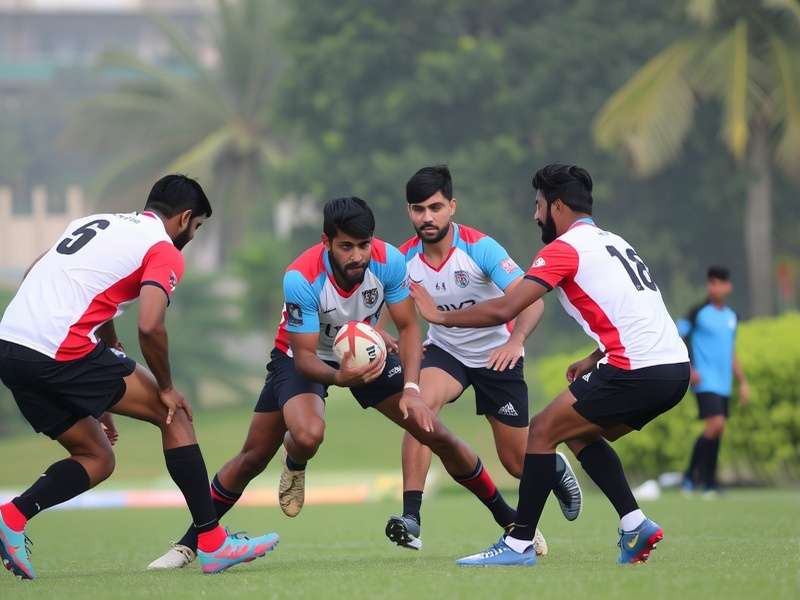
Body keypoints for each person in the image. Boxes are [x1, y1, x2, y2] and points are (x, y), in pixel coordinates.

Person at [148, 196, 522, 570]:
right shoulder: (301, 277)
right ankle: (192, 542)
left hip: (366, 356)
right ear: (326, 242)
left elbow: (409, 328)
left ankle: (513, 523)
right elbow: (305, 357)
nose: (357, 256)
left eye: (363, 245)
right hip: (302, 358)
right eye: (346, 247)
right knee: (273, 448)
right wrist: (341, 377)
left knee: (435, 433)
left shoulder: (389, 261)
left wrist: (411, 389)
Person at [411, 164, 690, 566]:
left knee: (541, 430)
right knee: (577, 432)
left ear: (557, 206)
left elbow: (507, 308)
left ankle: (518, 544)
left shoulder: (563, 249)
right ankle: (634, 524)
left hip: (637, 369)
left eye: (539, 205)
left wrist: (438, 316)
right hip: (674, 368)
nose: (535, 215)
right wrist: (595, 357)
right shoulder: (614, 242)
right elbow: (635, 312)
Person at [0, 175, 278, 579]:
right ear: (184, 218)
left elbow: (37, 275)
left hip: (11, 347)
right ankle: (213, 542)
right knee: (173, 414)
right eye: (197, 227)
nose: (192, 236)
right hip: (58, 349)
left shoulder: (92, 223)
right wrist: (166, 388)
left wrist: (98, 378)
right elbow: (149, 326)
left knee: (97, 457)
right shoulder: (162, 248)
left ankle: (12, 515)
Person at [381, 165, 581, 554]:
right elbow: (383, 317)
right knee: (419, 408)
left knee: (516, 462)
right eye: (418, 209)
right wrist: (378, 337)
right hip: (446, 353)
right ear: (409, 212)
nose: (427, 217)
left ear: (452, 207)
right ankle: (411, 518)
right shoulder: (401, 261)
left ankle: (555, 466)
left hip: (496, 355)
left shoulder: (481, 248)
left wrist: (516, 341)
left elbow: (532, 303)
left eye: (435, 207)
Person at [679, 266, 749, 496]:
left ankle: (707, 482)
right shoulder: (697, 312)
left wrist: (743, 382)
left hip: (724, 383)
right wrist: (689, 367)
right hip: (704, 379)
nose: (713, 287)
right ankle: (692, 477)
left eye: (718, 283)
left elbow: (731, 351)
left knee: (718, 429)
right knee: (716, 424)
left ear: (727, 286)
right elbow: (679, 337)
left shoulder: (732, 316)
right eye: (711, 282)